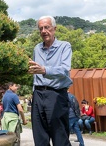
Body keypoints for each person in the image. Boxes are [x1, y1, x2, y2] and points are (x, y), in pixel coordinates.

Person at [28, 15, 73, 146]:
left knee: (60, 136)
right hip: (38, 95)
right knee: (39, 137)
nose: (43, 31)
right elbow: (35, 73)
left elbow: (64, 69)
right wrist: (33, 93)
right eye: (40, 28)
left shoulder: (64, 46)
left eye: (46, 27)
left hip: (56, 94)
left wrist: (45, 70)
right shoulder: (37, 48)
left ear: (54, 28)